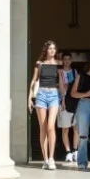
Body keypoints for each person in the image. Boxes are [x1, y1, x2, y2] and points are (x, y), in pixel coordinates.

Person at [27, 41, 61, 170]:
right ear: (45, 50)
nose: (52, 51)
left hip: (54, 95)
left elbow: (61, 82)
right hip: (41, 94)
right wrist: (29, 98)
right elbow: (34, 80)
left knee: (51, 126)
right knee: (43, 127)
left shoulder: (58, 64)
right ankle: (45, 159)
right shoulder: (39, 64)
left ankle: (51, 158)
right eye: (50, 48)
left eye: (54, 48)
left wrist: (63, 98)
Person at [57, 53, 79, 164]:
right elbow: (55, 86)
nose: (66, 61)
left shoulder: (75, 72)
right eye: (64, 59)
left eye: (68, 59)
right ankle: (68, 152)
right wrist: (60, 86)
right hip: (63, 102)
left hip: (74, 102)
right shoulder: (59, 72)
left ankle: (75, 151)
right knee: (65, 128)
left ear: (71, 60)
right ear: (62, 60)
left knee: (76, 128)